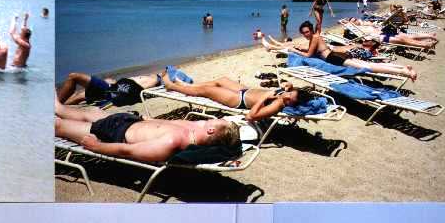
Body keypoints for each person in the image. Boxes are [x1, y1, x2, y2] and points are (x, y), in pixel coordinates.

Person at [55, 95, 240, 162]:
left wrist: (97, 147)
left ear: (211, 131)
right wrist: (142, 117)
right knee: (66, 109)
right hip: (129, 119)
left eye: (221, 121)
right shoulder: (196, 127)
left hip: (111, 132)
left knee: (58, 125)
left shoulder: (172, 142)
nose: (219, 117)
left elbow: (128, 150)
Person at [266, 21, 419, 81]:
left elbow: (308, 55)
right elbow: (315, 49)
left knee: (367, 67)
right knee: (363, 63)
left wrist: (294, 49)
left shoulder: (314, 38)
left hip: (334, 58)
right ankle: (402, 68)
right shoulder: (316, 37)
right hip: (335, 55)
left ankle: (405, 72)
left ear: (311, 30)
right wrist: (302, 47)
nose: (305, 34)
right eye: (303, 32)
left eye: (306, 31)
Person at [161, 72, 303, 123]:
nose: (287, 95)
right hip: (245, 90)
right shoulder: (286, 94)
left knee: (208, 90)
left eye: (290, 99)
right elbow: (290, 86)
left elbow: (250, 117)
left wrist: (264, 97)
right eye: (291, 93)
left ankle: (171, 86)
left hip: (239, 100)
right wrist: (288, 85)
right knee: (221, 80)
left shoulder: (277, 105)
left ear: (291, 104)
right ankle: (188, 86)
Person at [57, 71, 163, 105]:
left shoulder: (153, 80)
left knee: (74, 76)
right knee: (79, 96)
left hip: (111, 90)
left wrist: (111, 84)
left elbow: (134, 93)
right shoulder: (151, 78)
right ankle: (59, 106)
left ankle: (56, 105)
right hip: (112, 89)